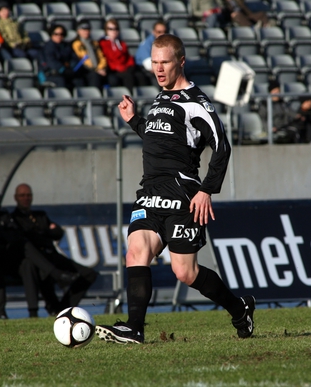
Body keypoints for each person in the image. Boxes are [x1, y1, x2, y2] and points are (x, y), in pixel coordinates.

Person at [95, 34, 255, 344]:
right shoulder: (160, 98)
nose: (158, 68)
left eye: (164, 62)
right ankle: (135, 328)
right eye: (154, 62)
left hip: (183, 195)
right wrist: (134, 121)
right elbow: (160, 137)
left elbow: (221, 147)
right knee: (136, 252)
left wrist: (207, 190)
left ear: (180, 61)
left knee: (186, 272)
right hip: (150, 193)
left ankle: (239, 308)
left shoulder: (198, 103)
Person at [0, 178, 83, 317]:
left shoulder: (1, 212)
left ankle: (35, 312)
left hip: (9, 256)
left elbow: (55, 233)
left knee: (29, 262)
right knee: (27, 249)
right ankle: (56, 282)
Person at [10, 183, 98, 317]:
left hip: (52, 256)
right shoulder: (13, 219)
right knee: (38, 270)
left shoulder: (40, 215)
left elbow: (58, 233)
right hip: (35, 260)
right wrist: (45, 231)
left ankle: (62, 309)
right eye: (22, 195)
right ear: (15, 198)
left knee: (89, 274)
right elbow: (27, 238)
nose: (26, 198)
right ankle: (44, 310)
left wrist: (40, 232)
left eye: (28, 195)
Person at [99, 18, 148, 93]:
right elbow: (110, 58)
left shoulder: (121, 43)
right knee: (128, 77)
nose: (114, 31)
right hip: (113, 69)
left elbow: (128, 57)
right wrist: (121, 67)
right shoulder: (103, 43)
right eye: (111, 29)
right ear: (106, 30)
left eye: (116, 29)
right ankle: (129, 98)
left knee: (140, 75)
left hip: (124, 67)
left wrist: (130, 66)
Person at [39, 24, 81, 89]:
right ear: (51, 34)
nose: (59, 36)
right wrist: (63, 69)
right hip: (50, 73)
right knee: (61, 81)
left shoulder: (66, 46)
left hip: (67, 72)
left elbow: (74, 58)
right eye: (56, 34)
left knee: (79, 80)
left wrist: (71, 67)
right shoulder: (47, 47)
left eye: (62, 34)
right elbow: (51, 62)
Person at [257, 79, 298, 144]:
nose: (277, 94)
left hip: (283, 127)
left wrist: (298, 116)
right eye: (275, 92)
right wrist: (269, 128)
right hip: (272, 129)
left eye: (278, 91)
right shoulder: (265, 104)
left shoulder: (282, 103)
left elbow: (291, 112)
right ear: (270, 92)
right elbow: (262, 119)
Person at [70, 20, 107, 89]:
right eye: (83, 29)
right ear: (78, 31)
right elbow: (83, 59)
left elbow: (101, 57)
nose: (86, 32)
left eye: (88, 29)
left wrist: (101, 67)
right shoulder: (77, 44)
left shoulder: (94, 43)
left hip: (98, 69)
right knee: (94, 77)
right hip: (85, 70)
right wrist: (97, 69)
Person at [135, 20, 167, 88]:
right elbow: (149, 65)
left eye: (164, 32)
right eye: (159, 32)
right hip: (144, 71)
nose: (162, 34)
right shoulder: (147, 44)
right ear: (154, 32)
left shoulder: (168, 43)